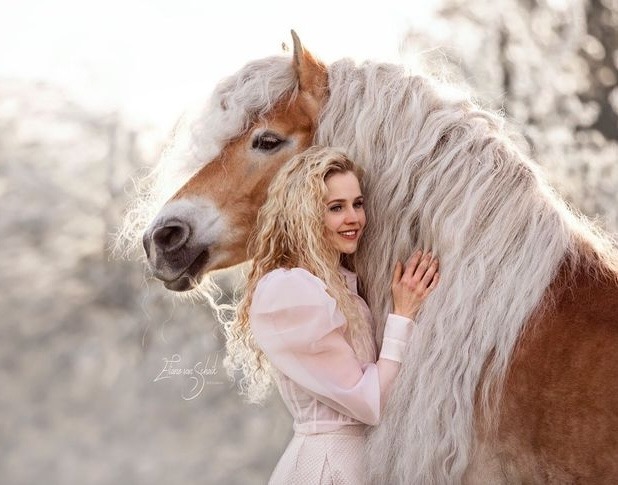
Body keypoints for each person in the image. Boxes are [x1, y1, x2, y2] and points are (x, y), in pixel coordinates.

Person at [224, 146, 439, 484]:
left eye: (357, 203)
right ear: (305, 216)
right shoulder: (292, 293)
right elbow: (368, 401)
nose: (353, 217)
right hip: (326, 469)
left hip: (359, 462)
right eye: (336, 207)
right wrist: (403, 315)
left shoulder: (339, 286)